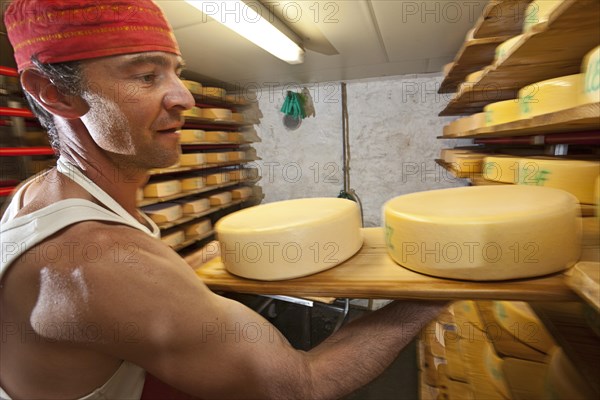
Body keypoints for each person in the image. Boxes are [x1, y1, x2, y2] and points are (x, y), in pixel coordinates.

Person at [0, 1, 446, 399]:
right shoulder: (99, 262)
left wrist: (215, 254)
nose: (184, 96)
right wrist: (435, 292)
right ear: (54, 93)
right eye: (146, 75)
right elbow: (303, 383)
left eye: (176, 70)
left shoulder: (39, 196)